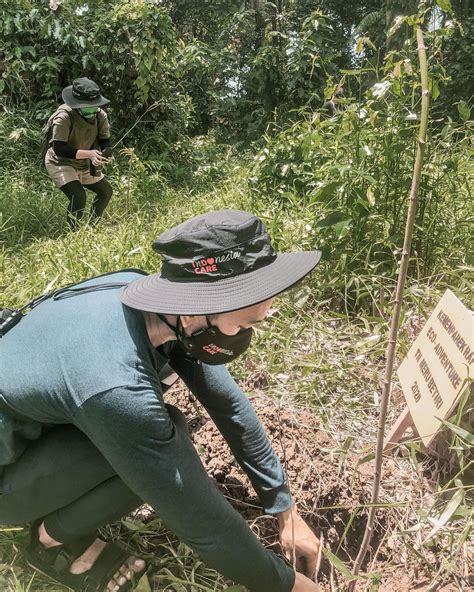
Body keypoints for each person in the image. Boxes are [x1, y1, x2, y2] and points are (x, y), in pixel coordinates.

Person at [0, 210, 323, 592]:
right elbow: (203, 523)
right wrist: (290, 586)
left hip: (35, 418)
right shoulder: (116, 386)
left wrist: (283, 506)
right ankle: (49, 538)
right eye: (248, 322)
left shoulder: (145, 297)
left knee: (161, 434)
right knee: (160, 453)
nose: (250, 331)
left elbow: (228, 405)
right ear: (195, 310)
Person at [44, 77, 114, 229]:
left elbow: (104, 140)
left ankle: (92, 227)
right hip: (60, 162)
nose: (93, 109)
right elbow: (59, 149)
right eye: (88, 106)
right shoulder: (63, 117)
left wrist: (106, 153)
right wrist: (89, 154)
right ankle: (73, 233)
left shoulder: (100, 115)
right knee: (78, 196)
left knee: (106, 191)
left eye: (95, 105)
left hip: (83, 163)